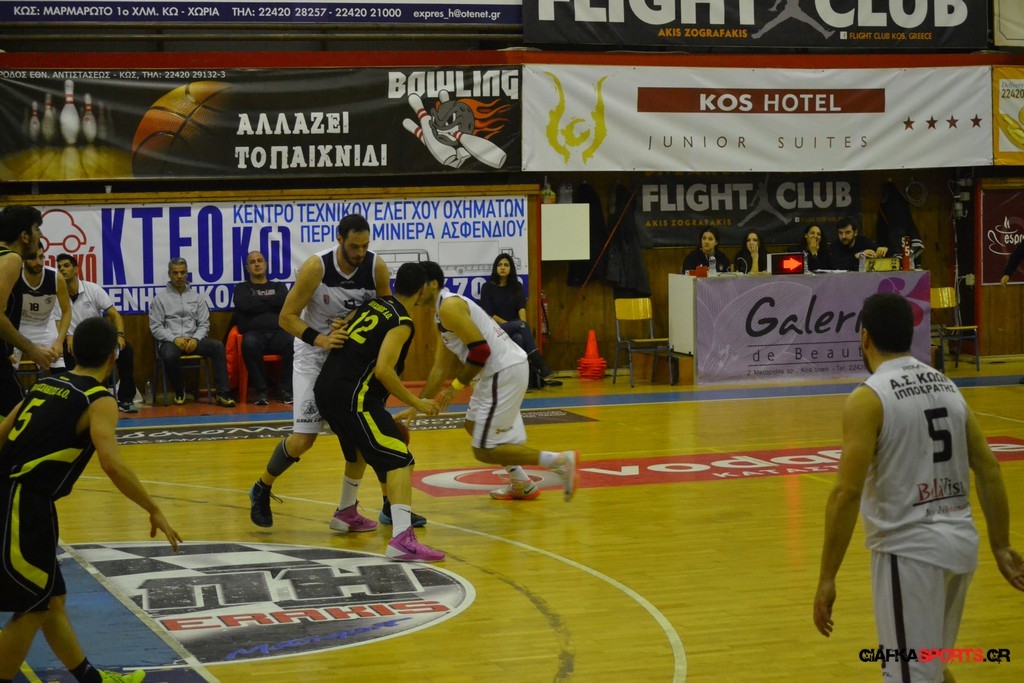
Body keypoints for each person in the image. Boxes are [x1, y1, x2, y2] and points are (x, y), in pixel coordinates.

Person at [813, 293, 1024, 682]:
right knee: (933, 667)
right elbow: (989, 468)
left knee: (910, 675)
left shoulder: (868, 398)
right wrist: (1001, 544)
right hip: (960, 548)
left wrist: (827, 576)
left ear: (865, 337)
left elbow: (845, 493)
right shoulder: (947, 386)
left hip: (909, 554)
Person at [0, 317, 182, 683]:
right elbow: (111, 463)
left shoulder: (44, 384)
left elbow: (2, 434)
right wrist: (153, 508)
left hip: (22, 500)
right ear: (114, 356)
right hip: (22, 504)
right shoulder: (99, 399)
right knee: (33, 607)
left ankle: (91, 680)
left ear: (71, 349)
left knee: (51, 601)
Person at [248, 214, 426, 530]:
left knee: (367, 433)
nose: (360, 252)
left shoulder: (376, 267)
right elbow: (287, 317)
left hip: (350, 360)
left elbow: (384, 310)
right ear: (340, 239)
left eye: (365, 245)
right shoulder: (316, 267)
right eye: (354, 246)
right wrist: (321, 339)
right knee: (304, 439)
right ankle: (262, 487)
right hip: (313, 355)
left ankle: (386, 505)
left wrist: (354, 318)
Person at [404, 261, 578, 502]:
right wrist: (417, 403)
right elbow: (439, 367)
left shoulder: (449, 306)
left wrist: (454, 388)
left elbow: (481, 351)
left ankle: (559, 461)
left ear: (432, 284)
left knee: (484, 450)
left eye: (417, 285)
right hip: (500, 371)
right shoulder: (442, 312)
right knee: (473, 426)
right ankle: (522, 483)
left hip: (503, 370)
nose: (413, 290)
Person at [314, 263, 443, 561]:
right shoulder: (401, 321)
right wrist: (417, 402)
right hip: (353, 397)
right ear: (422, 289)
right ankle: (402, 540)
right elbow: (384, 370)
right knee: (400, 459)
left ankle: (346, 512)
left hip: (327, 388)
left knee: (358, 452)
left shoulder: (375, 304)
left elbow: (345, 329)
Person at [55, 253, 140, 413]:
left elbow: (115, 315)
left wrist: (120, 335)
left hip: (97, 339)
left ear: (76, 269)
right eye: (59, 267)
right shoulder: (57, 295)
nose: (62, 270)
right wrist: (66, 336)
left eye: (66, 266)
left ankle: (126, 399)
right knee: (64, 353)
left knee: (126, 350)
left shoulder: (92, 289)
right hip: (73, 342)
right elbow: (57, 322)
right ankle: (80, 401)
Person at [148, 258, 235, 407]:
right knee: (168, 354)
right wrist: (175, 339)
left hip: (194, 340)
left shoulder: (197, 297)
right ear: (169, 274)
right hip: (171, 341)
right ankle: (179, 390)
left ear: (187, 273)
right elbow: (156, 327)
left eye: (182, 272)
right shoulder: (160, 299)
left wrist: (196, 339)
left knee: (218, 346)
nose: (179, 276)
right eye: (175, 273)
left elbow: (204, 324)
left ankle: (223, 394)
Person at [0, 205, 57, 416]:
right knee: (18, 418)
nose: (40, 235)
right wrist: (31, 349)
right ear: (24, 236)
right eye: (37, 229)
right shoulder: (11, 259)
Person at [478, 253, 561, 388]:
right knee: (519, 326)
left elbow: (521, 308)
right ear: (495, 268)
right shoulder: (487, 287)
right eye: (499, 265)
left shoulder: (517, 286)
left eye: (506, 265)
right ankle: (539, 361)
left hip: (515, 329)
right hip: (495, 328)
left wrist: (522, 325)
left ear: (511, 268)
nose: (503, 267)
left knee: (519, 338)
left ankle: (520, 381)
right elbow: (489, 314)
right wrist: (514, 325)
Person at [233, 250, 294, 405]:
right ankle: (261, 391)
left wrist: (257, 301)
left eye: (260, 261)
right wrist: (271, 301)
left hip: (278, 333)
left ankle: (286, 390)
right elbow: (244, 305)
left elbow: (284, 301)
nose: (257, 264)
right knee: (249, 344)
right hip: (254, 334)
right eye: (252, 262)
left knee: (293, 342)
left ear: (266, 264)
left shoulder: (278, 286)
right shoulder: (241, 288)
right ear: (247, 268)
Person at [12, 248, 71, 374]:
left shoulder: (56, 278)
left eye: (41, 257)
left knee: (59, 369)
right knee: (7, 367)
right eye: (33, 258)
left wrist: (59, 342)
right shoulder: (15, 275)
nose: (38, 262)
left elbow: (67, 312)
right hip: (19, 325)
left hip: (45, 326)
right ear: (24, 259)